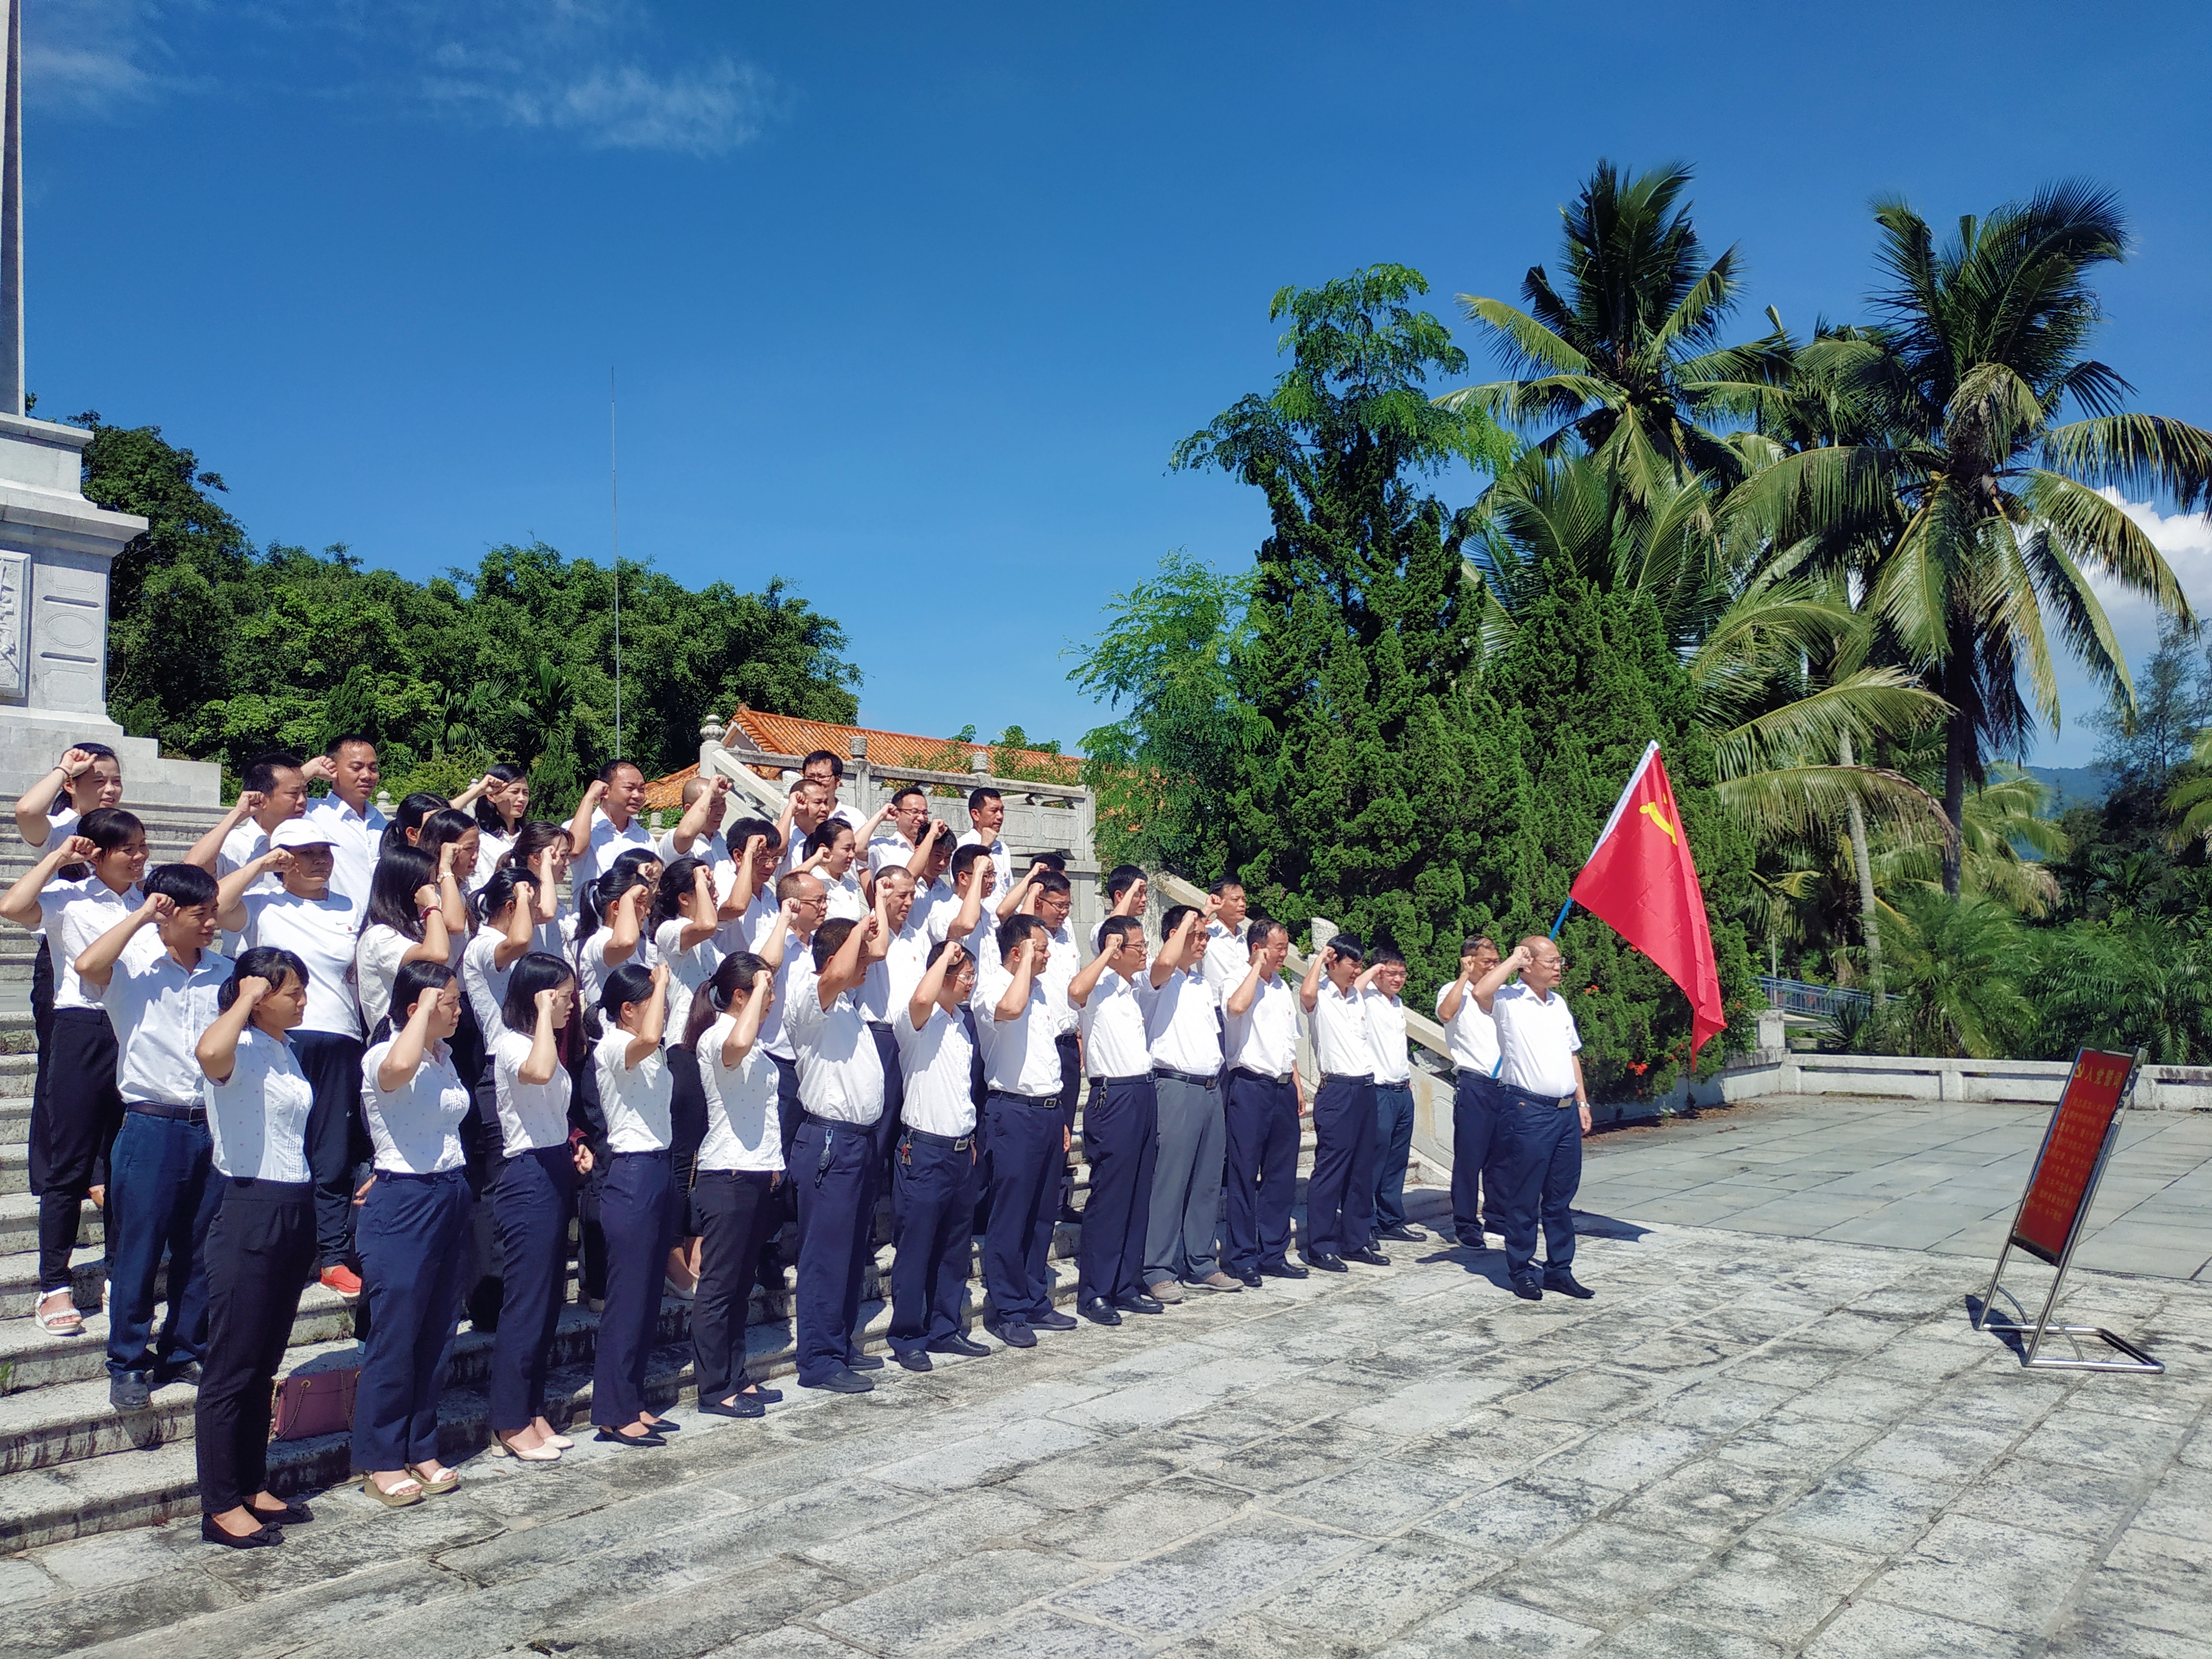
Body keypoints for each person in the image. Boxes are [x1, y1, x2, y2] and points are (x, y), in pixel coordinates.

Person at [74, 863, 231, 1408]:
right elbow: (87, 964)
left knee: (200, 1248)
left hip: (210, 1123)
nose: (213, 921)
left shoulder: (224, 973)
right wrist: (142, 914)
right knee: (139, 1250)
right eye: (201, 912)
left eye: (214, 910)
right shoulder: (133, 967)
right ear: (168, 913)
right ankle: (128, 1361)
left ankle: (184, 1347)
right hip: (149, 1124)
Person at [0, 807, 148, 1332]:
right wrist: (60, 857)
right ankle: (53, 1285)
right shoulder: (69, 897)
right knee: (68, 1164)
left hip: (135, 1029)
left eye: (142, 846)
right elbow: (13, 906)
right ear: (99, 852)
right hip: (82, 1028)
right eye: (128, 848)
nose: (139, 857)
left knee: (124, 1161)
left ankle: (118, 1271)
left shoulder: (147, 900)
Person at [192, 946, 317, 1548]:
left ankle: (250, 1482)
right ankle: (219, 1502)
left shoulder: (285, 1051)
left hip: (292, 1204)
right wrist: (244, 995)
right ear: (261, 994)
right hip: (247, 1206)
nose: (302, 1001)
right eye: (292, 991)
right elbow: (207, 1053)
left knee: (263, 1362)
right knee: (231, 1365)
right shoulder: (235, 1045)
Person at [223, 818, 367, 1295]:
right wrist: (262, 865)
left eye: (324, 850)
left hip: (341, 1037)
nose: (319, 859)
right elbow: (218, 906)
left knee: (332, 1150)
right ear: (284, 859)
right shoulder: (263, 903)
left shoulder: (350, 905)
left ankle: (331, 1254)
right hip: (281, 1038)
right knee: (282, 1143)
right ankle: (279, 1245)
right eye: (305, 853)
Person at [352, 961, 473, 1507]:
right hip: (404, 1201)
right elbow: (395, 1073)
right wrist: (422, 1012)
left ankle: (420, 1443)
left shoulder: (444, 1060)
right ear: (415, 1007)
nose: (457, 1010)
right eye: (448, 1001)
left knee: (438, 1329)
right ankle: (380, 1456)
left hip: (449, 1191)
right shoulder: (386, 1054)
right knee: (396, 1332)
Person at [486, 952, 590, 1460]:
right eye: (564, 998)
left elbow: (552, 1104)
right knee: (527, 1300)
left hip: (554, 1163)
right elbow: (540, 1071)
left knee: (550, 1298)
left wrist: (574, 1142)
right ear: (540, 997)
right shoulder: (511, 1044)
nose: (572, 1007)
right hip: (525, 1173)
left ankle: (530, 1407)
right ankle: (509, 1418)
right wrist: (546, 1016)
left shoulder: (540, 1041)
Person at [786, 913, 887, 1391]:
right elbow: (836, 972)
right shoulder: (812, 997)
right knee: (825, 1255)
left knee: (849, 1253)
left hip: (858, 1141)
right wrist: (857, 932)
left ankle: (838, 1340)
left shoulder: (847, 1006)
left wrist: (874, 922)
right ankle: (819, 1360)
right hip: (830, 1140)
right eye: (859, 954)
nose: (868, 962)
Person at [684, 951, 787, 1415]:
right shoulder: (718, 1035)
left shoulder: (754, 1040)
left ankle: (736, 1374)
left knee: (742, 1283)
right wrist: (759, 991)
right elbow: (735, 1049)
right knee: (720, 1287)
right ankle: (714, 1388)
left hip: (754, 1170)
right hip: (724, 1172)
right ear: (741, 995)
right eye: (763, 991)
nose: (771, 1000)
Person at [12, 744, 125, 1149]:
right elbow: (26, 812)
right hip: (61, 958)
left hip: (114, 961)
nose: (110, 789)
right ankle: (53, 1172)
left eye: (116, 781)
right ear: (73, 787)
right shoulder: (59, 827)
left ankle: (96, 1166)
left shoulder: (121, 830)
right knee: (56, 1071)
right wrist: (63, 767)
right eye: (99, 781)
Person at [886, 938, 990, 1370]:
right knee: (917, 1247)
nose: (970, 983)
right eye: (964, 975)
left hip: (960, 1149)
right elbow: (922, 996)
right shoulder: (917, 1021)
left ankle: (945, 1327)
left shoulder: (963, 1024)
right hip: (924, 1150)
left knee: (953, 1247)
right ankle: (908, 1334)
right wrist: (946, 955)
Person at [588, 960, 681, 1443]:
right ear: (628, 1010)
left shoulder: (650, 1049)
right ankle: (611, 1408)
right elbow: (645, 1041)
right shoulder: (614, 1045)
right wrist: (661, 980)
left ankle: (633, 1399)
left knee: (648, 1298)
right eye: (652, 1004)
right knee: (627, 1299)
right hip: (632, 1172)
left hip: (659, 1166)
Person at [1472, 937, 1593, 1301]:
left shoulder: (1558, 1004)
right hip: (1528, 1111)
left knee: (1559, 1197)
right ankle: (1521, 1268)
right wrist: (1512, 961)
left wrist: (1582, 1101)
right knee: (1524, 1195)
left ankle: (1559, 1269)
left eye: (1560, 960)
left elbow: (1572, 1055)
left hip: (1565, 1113)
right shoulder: (1509, 1000)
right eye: (1551, 961)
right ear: (1529, 964)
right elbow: (1480, 993)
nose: (1558, 968)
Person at [974, 914, 1072, 1346]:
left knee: (1041, 1214)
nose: (1048, 954)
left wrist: (1062, 1117)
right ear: (1018, 951)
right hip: (1013, 1111)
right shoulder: (993, 987)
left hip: (1048, 1110)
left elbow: (1045, 1057)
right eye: (1040, 947)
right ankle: (1008, 1308)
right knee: (1011, 1215)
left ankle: (1035, 1298)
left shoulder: (1040, 990)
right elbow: (1008, 1012)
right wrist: (1026, 967)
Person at [651, 855, 742, 1300]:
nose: (714, 886)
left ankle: (695, 1249)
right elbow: (706, 921)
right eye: (704, 882)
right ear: (684, 896)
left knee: (704, 1154)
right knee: (683, 1156)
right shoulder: (671, 932)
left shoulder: (710, 945)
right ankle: (670, 1257)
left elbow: (726, 913)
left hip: (709, 1053)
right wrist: (702, 882)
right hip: (681, 1053)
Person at [1141, 905, 1235, 1301]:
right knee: (1170, 1180)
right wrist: (1194, 917)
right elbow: (1165, 961)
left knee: (1207, 1179)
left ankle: (1201, 1260)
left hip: (1210, 1086)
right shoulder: (1155, 978)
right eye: (1195, 935)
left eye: (1205, 936)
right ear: (1175, 934)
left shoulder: (1201, 985)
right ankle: (1158, 1267)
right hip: (1175, 1086)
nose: (1203, 942)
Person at [1067, 916, 1159, 1323]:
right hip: (1113, 1096)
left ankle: (1126, 1282)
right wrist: (1106, 952)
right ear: (1116, 948)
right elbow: (1074, 992)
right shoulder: (1098, 986)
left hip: (1142, 1091)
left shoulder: (1131, 990)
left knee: (1139, 1195)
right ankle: (1095, 1291)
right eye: (1137, 946)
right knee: (1110, 1197)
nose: (1145, 953)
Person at [1220, 917, 1307, 1287]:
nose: (1284, 955)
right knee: (1243, 1174)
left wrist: (1299, 1085)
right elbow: (1236, 1009)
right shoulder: (1236, 978)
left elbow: (1289, 1043)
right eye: (1279, 948)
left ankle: (1273, 1252)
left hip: (1282, 1087)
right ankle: (1242, 1257)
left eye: (1286, 948)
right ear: (1258, 948)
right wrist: (1255, 968)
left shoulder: (1282, 987)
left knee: (1281, 1175)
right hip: (1249, 1087)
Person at [1300, 932, 1387, 1273]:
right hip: (1337, 1091)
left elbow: (1361, 981)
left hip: (1365, 1088)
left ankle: (1356, 1241)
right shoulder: (1320, 995)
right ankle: (1320, 1247)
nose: (1357, 971)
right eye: (1353, 964)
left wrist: (1373, 968)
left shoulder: (1357, 998)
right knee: (1331, 1170)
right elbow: (1306, 994)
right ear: (1334, 962)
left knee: (1361, 1170)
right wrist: (1321, 958)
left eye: (1360, 965)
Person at [854, 867, 924, 1174]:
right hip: (879, 1035)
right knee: (879, 1122)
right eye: (902, 895)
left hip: (913, 1037)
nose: (909, 902)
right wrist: (879, 907)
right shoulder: (867, 930)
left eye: (912, 895)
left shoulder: (918, 938)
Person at [1437, 935, 1504, 1248]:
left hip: (1506, 1084)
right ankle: (1465, 1223)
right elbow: (1446, 1015)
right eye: (1488, 962)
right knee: (1470, 1159)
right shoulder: (1453, 990)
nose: (1494, 966)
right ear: (1469, 960)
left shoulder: (1503, 994)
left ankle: (1498, 1219)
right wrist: (1464, 977)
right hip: (1475, 1083)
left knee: (1502, 1158)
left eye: (1497, 961)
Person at [353, 844, 463, 1035]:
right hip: (395, 1040)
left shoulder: (419, 926)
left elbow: (456, 924)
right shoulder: (380, 936)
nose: (433, 891)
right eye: (428, 885)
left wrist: (445, 868)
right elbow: (437, 955)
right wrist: (431, 906)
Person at [189, 752, 331, 895]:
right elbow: (192, 869)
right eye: (293, 794)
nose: (302, 801)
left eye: (304, 792)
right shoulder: (235, 845)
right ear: (261, 798)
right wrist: (237, 814)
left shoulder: (313, 844)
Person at [1359, 945, 1423, 1244]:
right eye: (1391, 974)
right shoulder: (1365, 999)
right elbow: (1353, 989)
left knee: (1397, 1159)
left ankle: (1391, 1218)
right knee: (1373, 1159)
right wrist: (1372, 971)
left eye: (1402, 974)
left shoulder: (1396, 1003)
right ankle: (1366, 1220)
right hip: (1378, 1091)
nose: (1398, 979)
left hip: (1401, 1089)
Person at [304, 734, 385, 914]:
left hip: (379, 929)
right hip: (334, 924)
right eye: (356, 768)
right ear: (333, 769)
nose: (366, 775)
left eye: (373, 768)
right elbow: (267, 800)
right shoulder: (312, 812)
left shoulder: (380, 821)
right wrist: (309, 772)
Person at [567, 760, 654, 895]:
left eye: (641, 789)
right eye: (630, 788)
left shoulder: (644, 837)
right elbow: (575, 850)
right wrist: (589, 798)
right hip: (590, 914)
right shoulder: (579, 828)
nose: (637, 796)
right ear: (605, 791)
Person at [468, 765, 532, 892]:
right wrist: (479, 790)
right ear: (492, 796)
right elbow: (436, 820)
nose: (522, 799)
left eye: (526, 793)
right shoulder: (478, 838)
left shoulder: (529, 838)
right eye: (515, 792)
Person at [1199, 879, 1249, 995]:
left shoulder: (1246, 940)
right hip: (1217, 1008)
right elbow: (1185, 939)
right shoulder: (1207, 934)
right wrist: (1208, 909)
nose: (1242, 904)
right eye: (1235, 900)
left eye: (1244, 900)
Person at [867, 786, 930, 875]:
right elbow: (857, 849)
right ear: (897, 814)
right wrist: (881, 816)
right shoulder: (882, 847)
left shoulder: (931, 849)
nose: (921, 818)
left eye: (925, 813)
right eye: (914, 812)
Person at [1093, 864, 1147, 953]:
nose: (1145, 899)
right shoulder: (1099, 930)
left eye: (1145, 894)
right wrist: (1133, 890)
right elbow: (1115, 927)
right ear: (1119, 896)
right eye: (1139, 894)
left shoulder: (1139, 928)